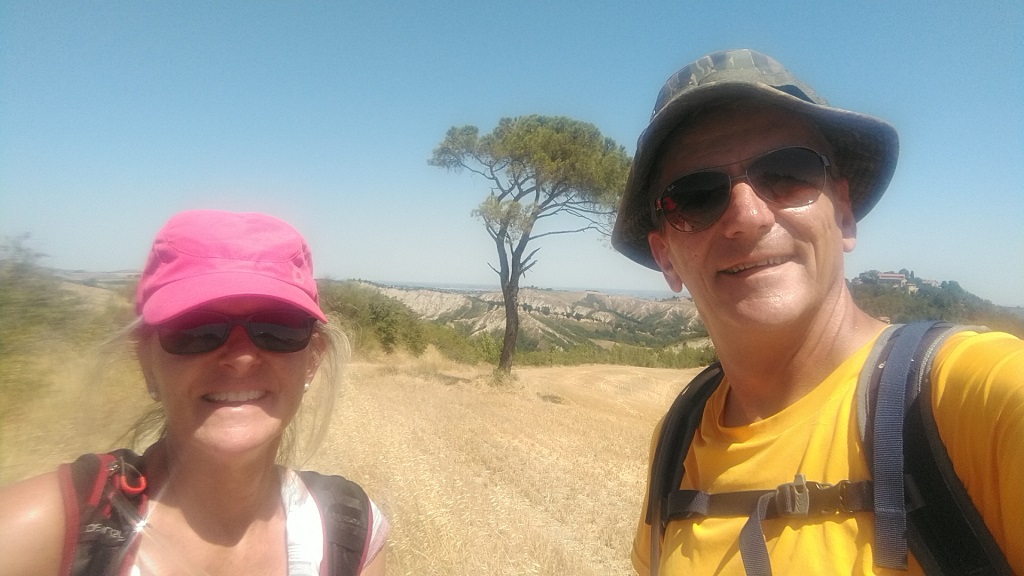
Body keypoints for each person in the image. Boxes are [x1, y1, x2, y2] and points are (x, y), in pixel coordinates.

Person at [611, 49, 1023, 575]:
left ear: (844, 215)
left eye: (788, 172)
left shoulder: (973, 399)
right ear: (666, 257)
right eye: (695, 195)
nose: (747, 216)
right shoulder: (677, 440)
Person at [0, 210, 388, 576]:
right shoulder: (44, 530)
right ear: (147, 360)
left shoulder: (351, 535)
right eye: (197, 328)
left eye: (278, 327)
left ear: (312, 360)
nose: (240, 358)